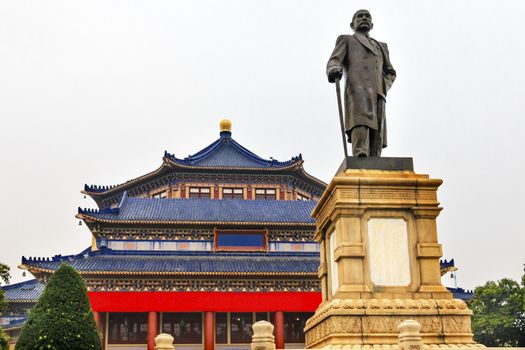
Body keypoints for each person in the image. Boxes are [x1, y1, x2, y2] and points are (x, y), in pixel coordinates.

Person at [327, 9, 396, 157]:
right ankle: (360, 155)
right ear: (352, 24)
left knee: (378, 130)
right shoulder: (347, 40)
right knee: (361, 122)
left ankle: (375, 159)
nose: (364, 18)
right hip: (358, 89)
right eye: (360, 16)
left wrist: (384, 85)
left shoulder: (381, 46)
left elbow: (391, 71)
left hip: (379, 92)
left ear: (372, 24)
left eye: (367, 16)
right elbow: (335, 60)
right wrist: (334, 68)